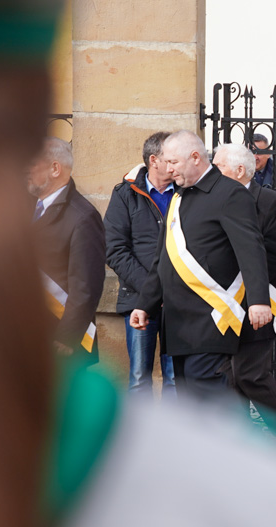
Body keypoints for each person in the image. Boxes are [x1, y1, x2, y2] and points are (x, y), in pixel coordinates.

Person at [131, 130, 273, 402]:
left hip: (210, 320)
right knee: (191, 404)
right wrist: (145, 303)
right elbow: (164, 258)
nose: (168, 169)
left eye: (173, 162)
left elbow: (251, 249)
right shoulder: (179, 197)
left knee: (208, 401)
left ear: (195, 157)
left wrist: (258, 300)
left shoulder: (229, 193)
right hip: (179, 323)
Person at [212, 143, 276, 448]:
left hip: (257, 299)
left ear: (239, 170)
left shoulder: (269, 202)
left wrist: (244, 283)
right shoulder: (215, 200)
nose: (212, 173)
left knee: (251, 374)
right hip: (225, 303)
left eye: (218, 167)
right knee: (228, 375)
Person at [104, 132, 176, 399]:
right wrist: (151, 290)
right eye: (170, 159)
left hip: (179, 301)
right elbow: (115, 250)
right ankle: (139, 439)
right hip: (137, 300)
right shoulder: (125, 194)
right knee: (138, 379)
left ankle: (172, 439)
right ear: (154, 160)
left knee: (175, 380)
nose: (175, 165)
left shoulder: (187, 191)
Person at [29, 137, 106, 367]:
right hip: (26, 334)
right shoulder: (27, 208)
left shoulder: (83, 216)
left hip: (59, 340)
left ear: (55, 168)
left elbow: (86, 287)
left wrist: (68, 336)